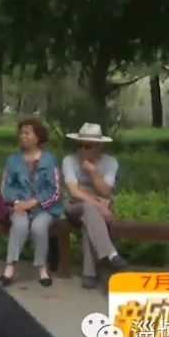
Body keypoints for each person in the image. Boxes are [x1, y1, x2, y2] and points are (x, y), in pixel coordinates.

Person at [61, 122, 129, 289]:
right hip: (74, 207)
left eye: (88, 146)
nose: (82, 150)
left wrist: (94, 172)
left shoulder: (110, 163)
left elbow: (105, 192)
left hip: (96, 210)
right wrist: (99, 204)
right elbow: (74, 192)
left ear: (99, 147)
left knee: (90, 219)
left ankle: (89, 274)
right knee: (91, 209)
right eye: (80, 145)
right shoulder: (69, 160)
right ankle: (111, 253)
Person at [0, 118, 62, 287]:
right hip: (18, 206)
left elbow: (55, 190)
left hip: (45, 208)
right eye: (21, 133)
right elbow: (6, 187)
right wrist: (17, 202)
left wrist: (34, 202)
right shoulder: (12, 160)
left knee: (38, 227)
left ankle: (42, 268)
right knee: (19, 224)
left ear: (38, 137)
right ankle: (10, 267)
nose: (23, 136)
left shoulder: (49, 160)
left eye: (27, 133)